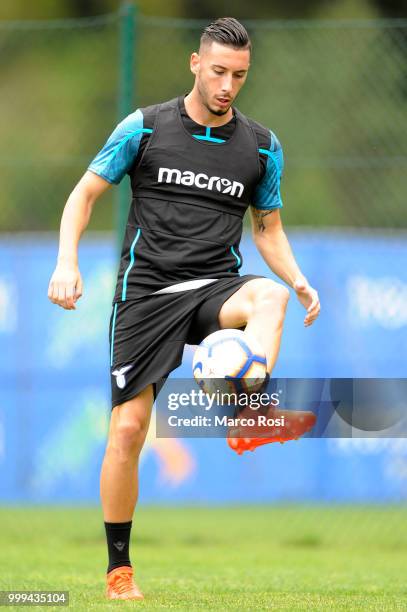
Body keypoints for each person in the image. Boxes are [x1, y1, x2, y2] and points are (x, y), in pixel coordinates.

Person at [48, 17, 320, 601]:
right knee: (127, 430)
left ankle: (248, 406)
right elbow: (84, 193)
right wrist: (66, 261)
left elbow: (267, 230)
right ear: (196, 63)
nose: (227, 84)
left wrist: (297, 280)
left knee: (268, 296)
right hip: (146, 295)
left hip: (213, 287)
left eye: (239, 76)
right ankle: (119, 569)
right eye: (218, 71)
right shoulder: (144, 127)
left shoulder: (263, 146)